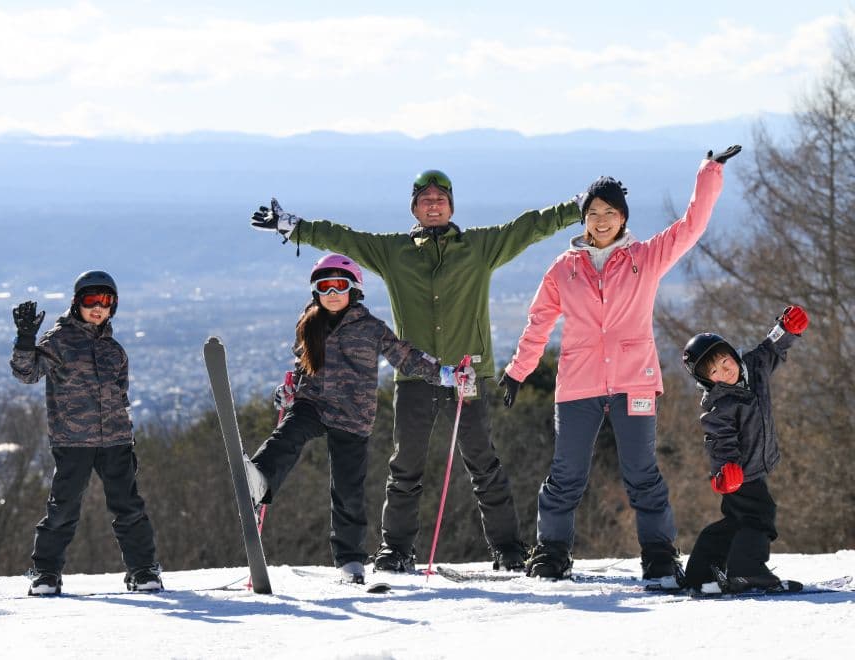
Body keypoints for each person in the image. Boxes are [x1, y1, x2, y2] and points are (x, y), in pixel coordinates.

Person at [250, 170, 583, 572]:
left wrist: (575, 208)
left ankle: (508, 548)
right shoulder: (394, 252)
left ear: (451, 205)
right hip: (414, 379)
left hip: (469, 375)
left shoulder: (479, 247)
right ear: (414, 208)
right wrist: (295, 227)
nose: (433, 204)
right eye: (424, 199)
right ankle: (396, 550)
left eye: (440, 197)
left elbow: (527, 227)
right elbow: (345, 239)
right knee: (405, 466)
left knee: (483, 463)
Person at [498, 145, 742, 581]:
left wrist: (709, 172)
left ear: (623, 217)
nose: (602, 219)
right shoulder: (563, 269)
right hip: (578, 384)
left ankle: (659, 554)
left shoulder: (645, 258)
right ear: (584, 220)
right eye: (593, 212)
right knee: (566, 473)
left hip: (635, 382)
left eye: (610, 211)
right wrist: (519, 371)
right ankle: (552, 551)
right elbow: (538, 324)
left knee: (642, 473)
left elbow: (690, 226)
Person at [242, 253, 469, 583]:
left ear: (354, 290)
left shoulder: (371, 329)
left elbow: (407, 358)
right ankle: (259, 479)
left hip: (353, 413)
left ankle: (350, 561)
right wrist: (288, 390)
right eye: (324, 286)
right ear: (315, 292)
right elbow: (300, 365)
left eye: (340, 286)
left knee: (347, 489)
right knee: (287, 436)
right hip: (313, 401)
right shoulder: (308, 323)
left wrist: (448, 375)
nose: (332, 293)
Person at [10, 270, 162, 596]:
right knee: (63, 507)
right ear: (77, 302)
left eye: (105, 301)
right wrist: (25, 340)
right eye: (91, 300)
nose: (98, 308)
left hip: (116, 441)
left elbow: (121, 395)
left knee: (129, 507)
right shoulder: (59, 341)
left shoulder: (114, 350)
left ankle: (143, 570)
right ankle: (46, 573)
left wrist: (126, 431)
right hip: (73, 439)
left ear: (113, 307)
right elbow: (27, 373)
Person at [679, 305, 808, 593]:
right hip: (739, 475)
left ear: (733, 355)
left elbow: (772, 347)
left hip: (754, 467)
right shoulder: (718, 406)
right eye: (714, 372)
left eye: (725, 362)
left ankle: (703, 568)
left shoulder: (755, 366)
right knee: (760, 516)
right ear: (706, 380)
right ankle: (747, 570)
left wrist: (787, 328)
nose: (725, 372)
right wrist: (726, 469)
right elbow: (719, 441)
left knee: (738, 522)